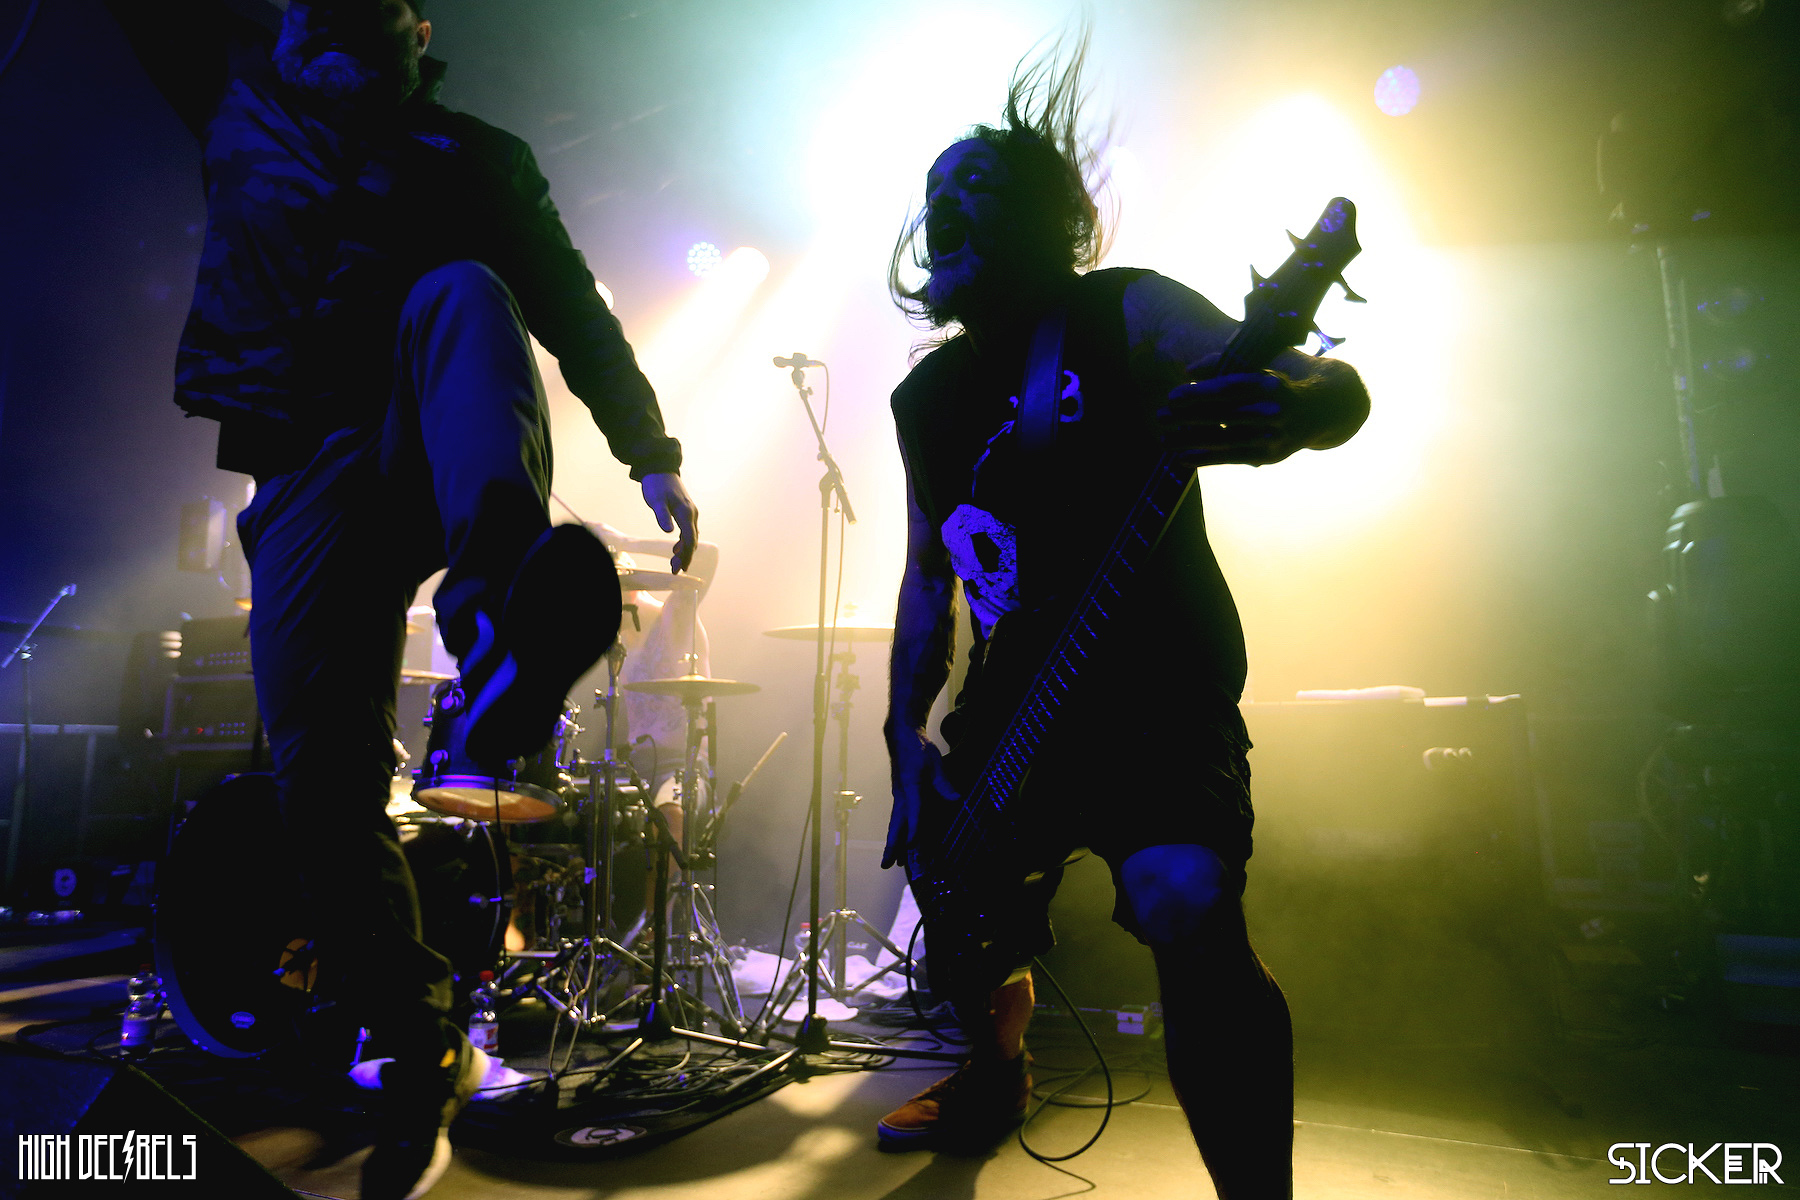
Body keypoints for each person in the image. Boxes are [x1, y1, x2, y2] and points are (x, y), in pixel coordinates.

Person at [102, 2, 698, 1196]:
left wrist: (649, 448)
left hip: (423, 436)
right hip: (304, 472)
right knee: (319, 781)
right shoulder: (239, 98)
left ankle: (498, 634)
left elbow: (572, 309)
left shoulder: (475, 157)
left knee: (466, 292)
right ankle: (420, 1036)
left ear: (420, 32)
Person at [878, 41, 1368, 1200]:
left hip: (1152, 694)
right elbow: (925, 577)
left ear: (1045, 217)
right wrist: (906, 744)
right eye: (937, 190)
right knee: (962, 922)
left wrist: (1297, 409)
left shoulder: (1122, 311)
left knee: (1182, 899)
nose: (948, 204)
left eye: (977, 185)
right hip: (1013, 712)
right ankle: (995, 1072)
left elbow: (1321, 383)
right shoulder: (926, 398)